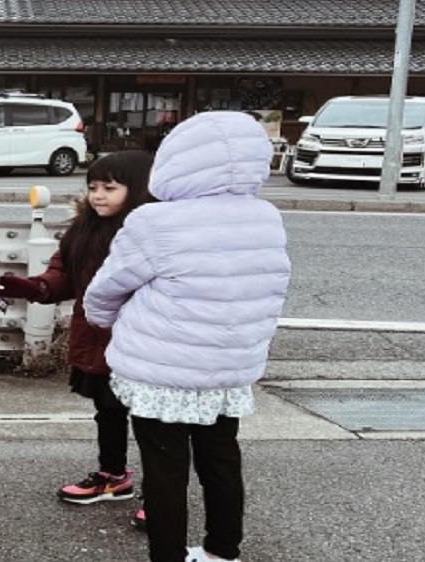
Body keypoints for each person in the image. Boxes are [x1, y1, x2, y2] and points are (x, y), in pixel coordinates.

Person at [84, 111, 292, 562]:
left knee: (165, 471)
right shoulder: (265, 217)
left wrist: (104, 320)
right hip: (228, 367)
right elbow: (270, 284)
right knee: (221, 459)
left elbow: (107, 288)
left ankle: (168, 555)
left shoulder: (155, 221)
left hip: (162, 368)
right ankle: (222, 550)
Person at [0, 151, 154, 515]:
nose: (98, 195)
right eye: (93, 187)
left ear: (140, 189)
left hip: (144, 340)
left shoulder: (152, 231)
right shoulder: (83, 228)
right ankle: (113, 475)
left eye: (109, 188)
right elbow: (62, 277)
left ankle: (159, 493)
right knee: (108, 410)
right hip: (97, 335)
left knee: (152, 421)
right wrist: (22, 287)